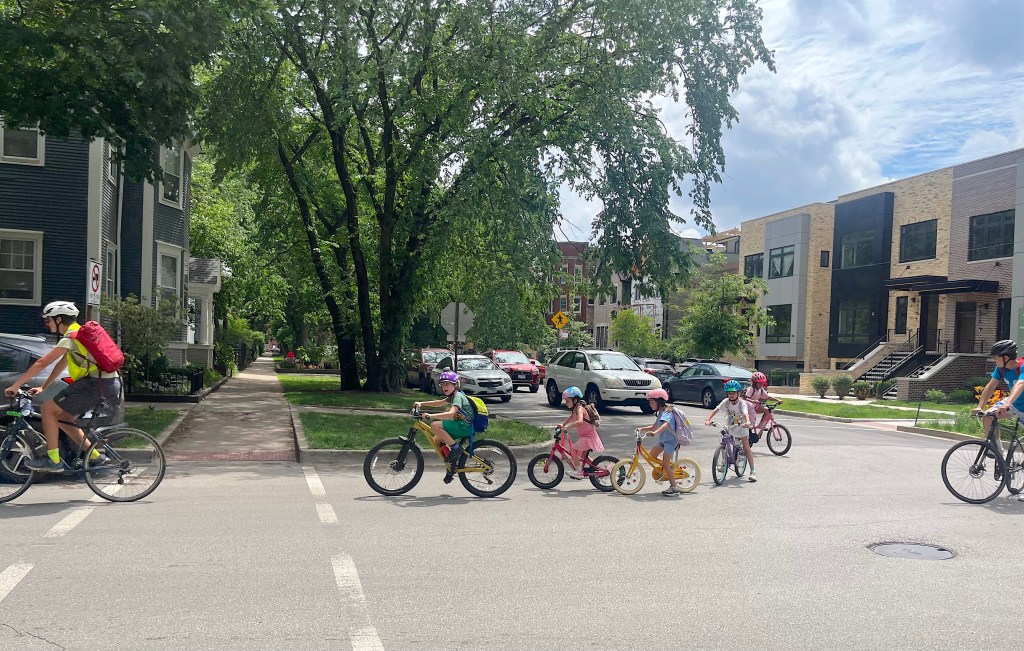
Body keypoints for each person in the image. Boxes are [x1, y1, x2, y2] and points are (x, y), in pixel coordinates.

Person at [3, 301, 122, 472]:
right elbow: (61, 363)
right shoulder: (78, 335)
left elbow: (43, 362)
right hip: (104, 382)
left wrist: (16, 385)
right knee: (63, 418)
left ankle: (53, 460)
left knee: (47, 410)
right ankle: (95, 456)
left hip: (95, 383)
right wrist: (44, 387)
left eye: (48, 320)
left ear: (58, 319)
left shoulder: (71, 337)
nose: (47, 324)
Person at [414, 370, 472, 484]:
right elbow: (440, 403)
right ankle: (451, 466)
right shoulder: (453, 396)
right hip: (461, 425)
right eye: (442, 384)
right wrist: (421, 403)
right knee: (436, 440)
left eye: (447, 384)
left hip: (464, 426)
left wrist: (431, 416)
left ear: (456, 385)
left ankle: (456, 448)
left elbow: (451, 414)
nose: (444, 387)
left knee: (434, 425)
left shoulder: (458, 397)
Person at [974, 339, 1024, 456]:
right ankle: (998, 453)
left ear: (1005, 358)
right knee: (987, 417)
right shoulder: (1001, 369)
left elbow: (1020, 384)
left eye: (996, 357)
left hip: (1013, 404)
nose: (994, 360)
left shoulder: (1022, 367)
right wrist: (980, 406)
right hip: (1014, 404)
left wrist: (1007, 403)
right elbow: (991, 386)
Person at [705, 380, 757, 482]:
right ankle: (724, 463)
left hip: (742, 427)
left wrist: (747, 422)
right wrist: (708, 419)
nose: (731, 395)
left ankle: (753, 471)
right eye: (729, 393)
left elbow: (745, 414)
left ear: (739, 393)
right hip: (731, 426)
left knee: (746, 448)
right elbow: (716, 410)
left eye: (733, 393)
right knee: (724, 440)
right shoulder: (726, 402)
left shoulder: (742, 403)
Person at [635, 388, 683, 496]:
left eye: (652, 402)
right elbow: (654, 426)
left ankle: (674, 488)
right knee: (651, 456)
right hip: (663, 440)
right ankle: (669, 467)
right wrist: (641, 429)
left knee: (665, 464)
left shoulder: (667, 412)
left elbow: (665, 425)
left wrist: (654, 433)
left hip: (670, 442)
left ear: (659, 401)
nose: (650, 404)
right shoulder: (660, 413)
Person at [557, 386, 604, 479]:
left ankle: (579, 472)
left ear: (575, 400)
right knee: (584, 457)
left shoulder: (580, 409)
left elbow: (579, 422)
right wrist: (563, 424)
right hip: (586, 436)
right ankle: (598, 470)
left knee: (574, 450)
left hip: (589, 437)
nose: (566, 403)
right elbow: (572, 417)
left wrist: (567, 428)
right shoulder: (575, 410)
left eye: (568, 401)